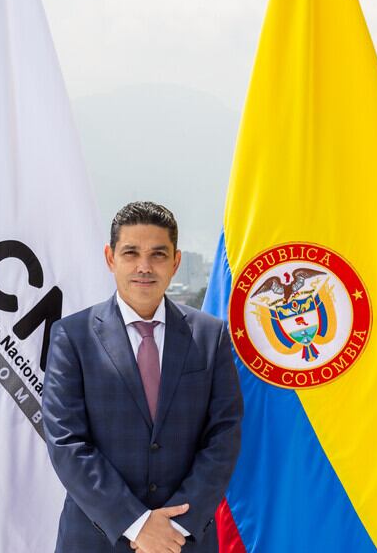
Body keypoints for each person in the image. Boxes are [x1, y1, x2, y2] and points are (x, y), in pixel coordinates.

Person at [42, 201, 243, 553]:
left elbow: (223, 436)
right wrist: (136, 525)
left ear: (176, 262)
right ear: (110, 258)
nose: (144, 267)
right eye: (131, 252)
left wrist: (174, 529)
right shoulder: (72, 336)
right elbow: (66, 441)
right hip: (96, 539)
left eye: (158, 254)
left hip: (185, 540)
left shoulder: (211, 336)